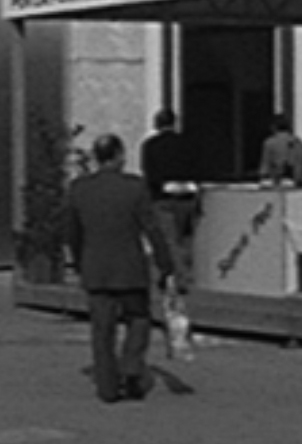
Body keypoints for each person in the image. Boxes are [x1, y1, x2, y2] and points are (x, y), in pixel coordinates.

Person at [62, 133, 177, 403]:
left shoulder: (79, 189)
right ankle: (132, 366)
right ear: (119, 156)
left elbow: (71, 232)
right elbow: (152, 228)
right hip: (129, 266)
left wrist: (78, 262)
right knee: (139, 318)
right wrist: (165, 263)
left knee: (102, 330)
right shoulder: (134, 187)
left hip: (95, 267)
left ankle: (107, 386)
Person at [138, 108, 197, 284]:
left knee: (170, 239)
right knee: (185, 238)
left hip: (162, 196)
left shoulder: (150, 145)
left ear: (157, 124)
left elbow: (148, 172)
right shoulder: (187, 143)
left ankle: (181, 277)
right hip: (187, 195)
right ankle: (179, 271)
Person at [258, 113, 302, 183]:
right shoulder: (297, 142)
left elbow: (265, 165)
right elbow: (301, 163)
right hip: (295, 180)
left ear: (273, 127)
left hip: (277, 180)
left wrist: (262, 178)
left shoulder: (270, 142)